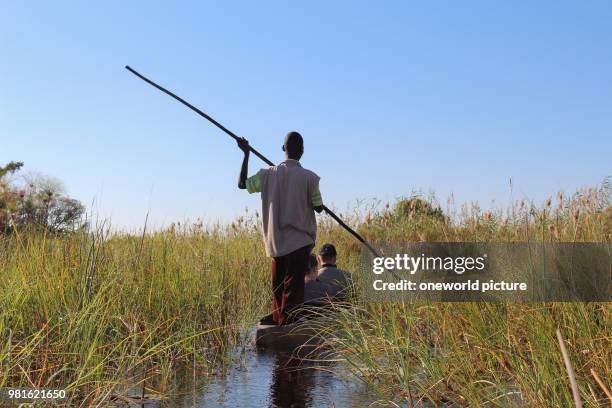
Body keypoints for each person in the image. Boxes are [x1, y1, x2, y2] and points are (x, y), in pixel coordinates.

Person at [237, 131, 323, 325]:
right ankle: (287, 331)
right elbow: (318, 207)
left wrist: (246, 155)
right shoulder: (310, 178)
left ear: (284, 149)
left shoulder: (266, 175)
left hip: (276, 245)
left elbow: (242, 184)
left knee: (278, 291)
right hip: (300, 245)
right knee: (292, 293)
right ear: (302, 151)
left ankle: (279, 327)